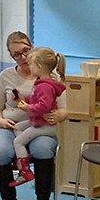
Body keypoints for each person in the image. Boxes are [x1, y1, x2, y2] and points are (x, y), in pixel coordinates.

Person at [0, 31, 68, 200]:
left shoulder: (50, 76)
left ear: (32, 47)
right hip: (11, 126)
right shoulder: (5, 76)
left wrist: (58, 115)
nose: (23, 57)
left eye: (26, 51)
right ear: (11, 56)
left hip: (40, 127)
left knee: (42, 149)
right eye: (17, 54)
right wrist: (0, 121)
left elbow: (65, 110)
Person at [10, 47, 66, 188]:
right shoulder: (41, 84)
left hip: (44, 126)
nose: (30, 68)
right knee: (17, 127)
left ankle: (24, 172)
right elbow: (35, 99)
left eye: (31, 65)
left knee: (17, 142)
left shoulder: (45, 86)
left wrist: (27, 108)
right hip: (38, 123)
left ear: (39, 67)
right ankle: (26, 153)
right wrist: (23, 99)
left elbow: (44, 106)